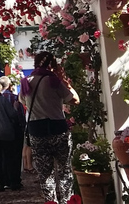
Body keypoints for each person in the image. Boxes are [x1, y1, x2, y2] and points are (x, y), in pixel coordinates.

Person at [19, 52, 80, 204]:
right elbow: (75, 100)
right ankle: (67, 201)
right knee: (64, 170)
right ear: (52, 65)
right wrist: (65, 81)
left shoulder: (27, 81)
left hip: (37, 131)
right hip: (58, 129)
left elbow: (23, 101)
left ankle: (50, 201)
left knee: (45, 173)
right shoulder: (53, 81)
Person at [0, 76, 26, 178]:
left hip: (1, 131)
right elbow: (20, 115)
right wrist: (23, 127)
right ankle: (15, 179)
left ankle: (5, 179)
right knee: (16, 155)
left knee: (4, 155)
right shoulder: (15, 98)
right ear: (9, 85)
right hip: (15, 129)